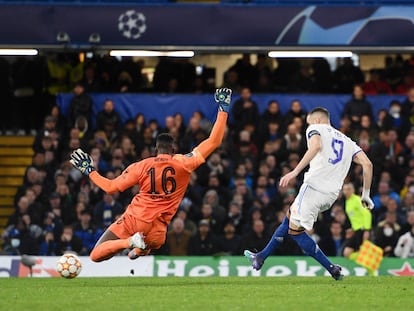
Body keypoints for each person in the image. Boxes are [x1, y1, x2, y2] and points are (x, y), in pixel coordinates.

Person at [69, 88, 232, 262]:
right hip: (159, 232)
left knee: (96, 255)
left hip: (136, 219)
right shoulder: (184, 163)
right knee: (149, 245)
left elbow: (110, 188)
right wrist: (223, 108)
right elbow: (214, 141)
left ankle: (129, 243)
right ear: (173, 150)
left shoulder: (141, 166)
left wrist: (90, 171)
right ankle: (137, 251)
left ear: (156, 150)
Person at [244, 107, 374, 281]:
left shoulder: (316, 129)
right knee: (289, 217)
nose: (308, 127)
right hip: (331, 196)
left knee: (295, 232)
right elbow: (368, 165)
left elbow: (316, 146)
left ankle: (332, 268)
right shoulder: (348, 141)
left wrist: (295, 171)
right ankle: (260, 257)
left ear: (317, 120)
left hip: (314, 187)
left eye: (309, 123)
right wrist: (365, 194)